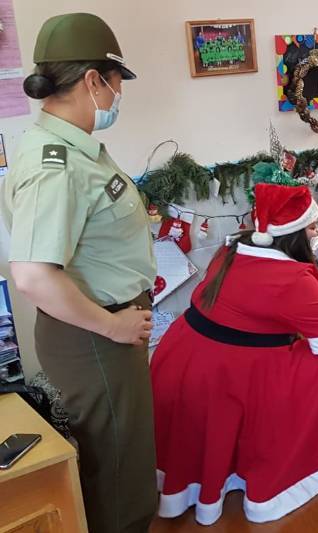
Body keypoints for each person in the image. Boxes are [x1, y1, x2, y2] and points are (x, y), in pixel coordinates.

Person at [1, 13, 156, 533]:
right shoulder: (57, 163)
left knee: (117, 455)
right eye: (114, 83)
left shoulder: (69, 148)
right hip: (96, 333)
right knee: (119, 471)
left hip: (100, 328)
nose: (116, 95)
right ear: (93, 80)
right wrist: (113, 326)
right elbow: (32, 276)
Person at [152, 184, 318, 525]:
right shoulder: (289, 278)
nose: (315, 232)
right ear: (292, 237)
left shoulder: (233, 249)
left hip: (181, 355)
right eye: (310, 226)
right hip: (229, 372)